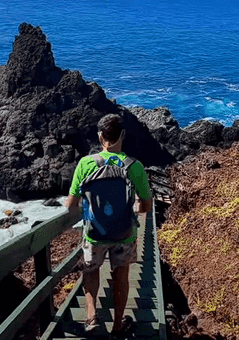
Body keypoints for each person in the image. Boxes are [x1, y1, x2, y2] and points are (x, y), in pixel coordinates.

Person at [65, 114, 153, 337]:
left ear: (99, 136)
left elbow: (70, 204)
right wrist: (132, 208)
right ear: (123, 135)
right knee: (121, 275)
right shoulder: (134, 166)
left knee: (91, 271)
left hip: (94, 233)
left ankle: (91, 317)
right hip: (124, 234)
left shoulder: (86, 164)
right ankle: (117, 326)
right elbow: (146, 206)